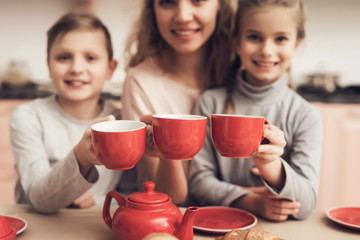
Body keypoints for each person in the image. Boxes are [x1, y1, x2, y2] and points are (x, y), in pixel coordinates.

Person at [189, 0, 323, 221]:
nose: (266, 51)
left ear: (296, 44)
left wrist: (271, 165)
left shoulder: (305, 115)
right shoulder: (210, 103)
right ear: (236, 42)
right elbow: (199, 183)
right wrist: (251, 201)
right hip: (219, 226)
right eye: (254, 37)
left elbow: (306, 203)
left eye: (280, 39)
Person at [9, 12, 138, 213]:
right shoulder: (27, 117)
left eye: (90, 58)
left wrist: (94, 200)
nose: (77, 68)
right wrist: (81, 158)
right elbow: (38, 197)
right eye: (64, 57)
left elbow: (130, 195)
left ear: (110, 69)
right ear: (49, 66)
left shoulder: (123, 122)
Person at [121, 0, 234, 204]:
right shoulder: (140, 82)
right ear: (152, 10)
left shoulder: (241, 75)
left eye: (198, 1)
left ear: (221, 5)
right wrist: (167, 150)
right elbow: (169, 198)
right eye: (167, 2)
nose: (183, 16)